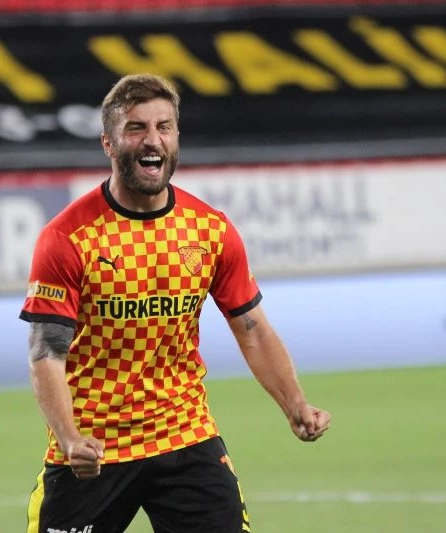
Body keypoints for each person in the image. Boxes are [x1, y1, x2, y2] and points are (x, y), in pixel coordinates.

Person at [20, 73, 331, 533]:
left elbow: (252, 329)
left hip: (184, 436)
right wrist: (69, 438)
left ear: (176, 136)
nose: (153, 140)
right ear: (108, 143)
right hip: (94, 448)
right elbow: (47, 352)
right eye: (136, 128)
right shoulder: (67, 238)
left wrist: (296, 405)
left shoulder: (210, 230)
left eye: (164, 127)